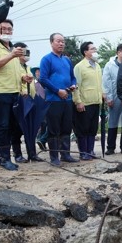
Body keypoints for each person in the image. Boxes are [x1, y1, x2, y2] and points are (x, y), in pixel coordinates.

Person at [0, 19, 32, 170]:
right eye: (3, 29)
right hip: (0, 92)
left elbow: (13, 72)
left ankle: (3, 156)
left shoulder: (13, 49)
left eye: (9, 29)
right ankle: (4, 158)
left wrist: (23, 78)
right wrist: (11, 55)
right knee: (2, 126)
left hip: (14, 93)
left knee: (11, 126)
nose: (7, 31)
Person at [39, 33, 79, 166]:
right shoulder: (46, 59)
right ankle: (54, 157)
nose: (61, 44)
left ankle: (65, 154)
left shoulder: (67, 60)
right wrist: (57, 90)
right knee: (54, 129)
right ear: (51, 43)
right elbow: (43, 79)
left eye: (63, 41)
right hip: (53, 99)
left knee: (66, 127)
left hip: (67, 99)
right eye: (58, 41)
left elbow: (72, 77)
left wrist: (73, 84)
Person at [12, 42, 44, 162]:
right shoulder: (13, 66)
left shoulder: (27, 67)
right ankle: (18, 154)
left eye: (27, 52)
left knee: (31, 129)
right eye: (23, 52)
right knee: (17, 129)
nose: (26, 54)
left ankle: (32, 153)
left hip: (29, 101)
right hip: (19, 100)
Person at [73, 41, 103, 161]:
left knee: (93, 128)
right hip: (84, 102)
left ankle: (90, 151)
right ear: (85, 52)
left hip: (96, 101)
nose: (95, 51)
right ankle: (83, 152)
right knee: (83, 128)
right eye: (92, 49)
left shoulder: (97, 66)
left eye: (95, 49)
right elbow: (75, 85)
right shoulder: (79, 67)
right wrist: (78, 101)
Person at [102, 43, 122, 155]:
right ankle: (110, 147)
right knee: (113, 121)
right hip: (114, 96)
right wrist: (108, 97)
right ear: (118, 52)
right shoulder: (110, 65)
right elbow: (106, 82)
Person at [32, 67, 48, 151]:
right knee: (42, 124)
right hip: (38, 105)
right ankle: (41, 141)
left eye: (40, 71)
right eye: (37, 72)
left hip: (47, 104)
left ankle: (42, 141)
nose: (38, 73)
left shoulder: (45, 82)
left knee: (47, 123)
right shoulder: (33, 84)